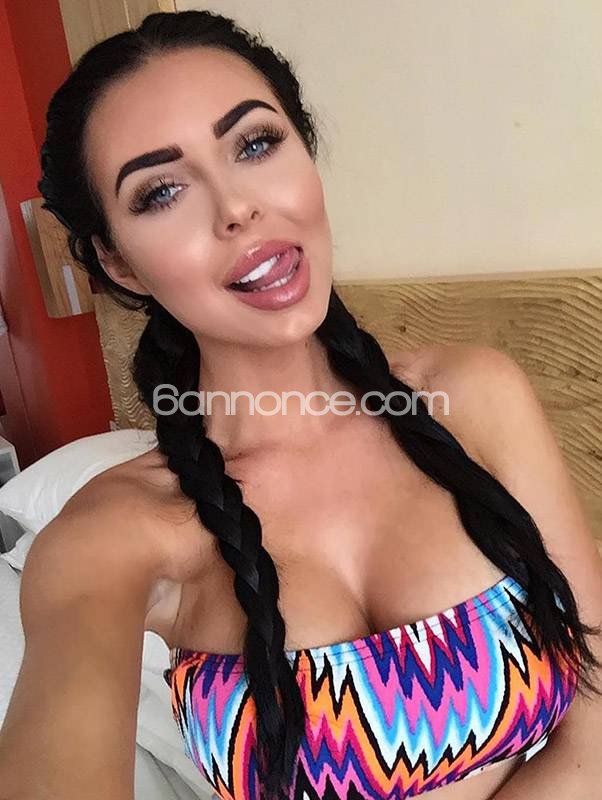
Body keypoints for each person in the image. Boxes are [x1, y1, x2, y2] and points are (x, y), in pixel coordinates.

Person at [0, 9, 600, 800]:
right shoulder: (109, 537)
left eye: (254, 144)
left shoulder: (474, 397)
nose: (236, 208)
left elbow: (597, 725)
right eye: (162, 191)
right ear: (121, 264)